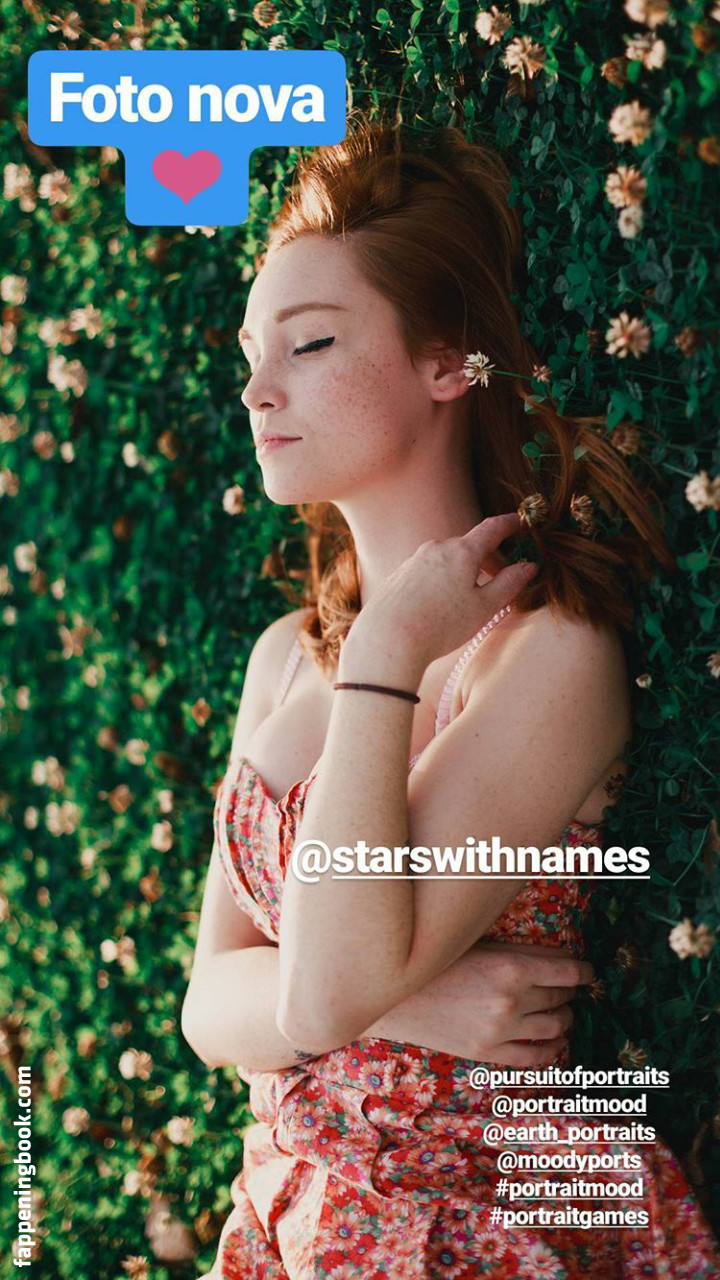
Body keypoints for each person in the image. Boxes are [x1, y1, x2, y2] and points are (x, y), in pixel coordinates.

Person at [182, 111, 720, 1278]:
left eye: (309, 344)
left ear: (446, 362)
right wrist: (408, 1001)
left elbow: (317, 987)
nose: (258, 390)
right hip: (291, 1209)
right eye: (251, 354)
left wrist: (388, 650)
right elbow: (204, 1006)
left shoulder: (549, 651)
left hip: (472, 1220)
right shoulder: (283, 656)